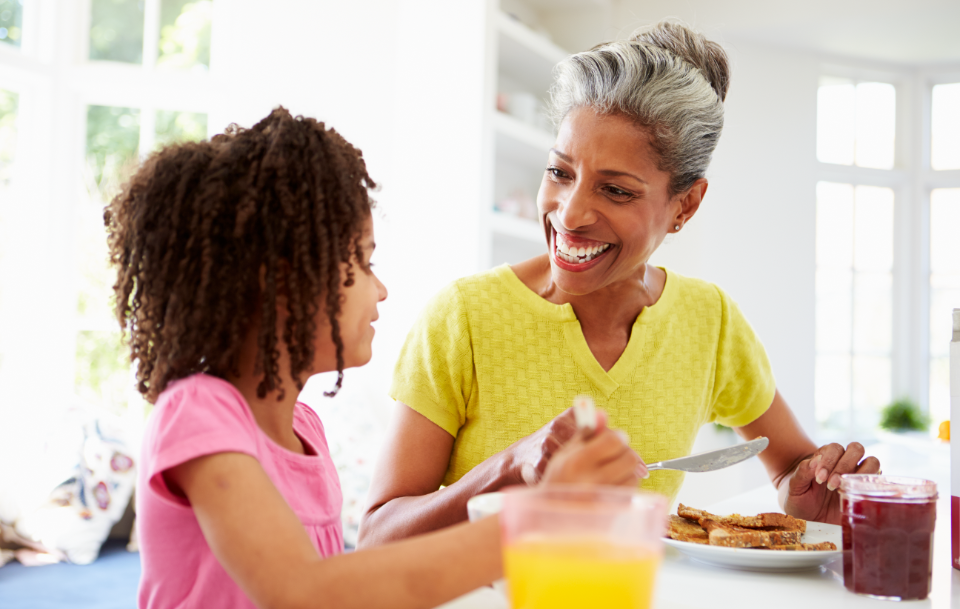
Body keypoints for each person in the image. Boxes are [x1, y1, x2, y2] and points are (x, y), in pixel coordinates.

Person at [358, 21, 881, 548]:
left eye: (614, 190)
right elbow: (379, 535)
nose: (571, 213)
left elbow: (792, 467)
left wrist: (804, 496)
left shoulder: (709, 320)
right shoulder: (465, 317)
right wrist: (510, 469)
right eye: (560, 173)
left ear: (685, 205)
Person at [108, 108, 641, 609]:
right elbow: (302, 592)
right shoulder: (198, 412)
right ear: (281, 283)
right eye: (362, 261)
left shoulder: (305, 429)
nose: (380, 289)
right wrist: (541, 519)